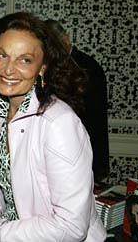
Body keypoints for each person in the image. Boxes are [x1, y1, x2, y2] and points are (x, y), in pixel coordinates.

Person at [0, 12, 106, 241]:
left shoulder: (59, 124)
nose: (8, 69)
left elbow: (72, 227)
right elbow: (7, 185)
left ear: (42, 68)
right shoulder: (0, 112)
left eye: (24, 60)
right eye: (2, 55)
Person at [45, 19, 110, 182]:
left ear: (65, 39)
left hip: (81, 147)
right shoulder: (61, 64)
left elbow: (90, 116)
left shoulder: (85, 67)